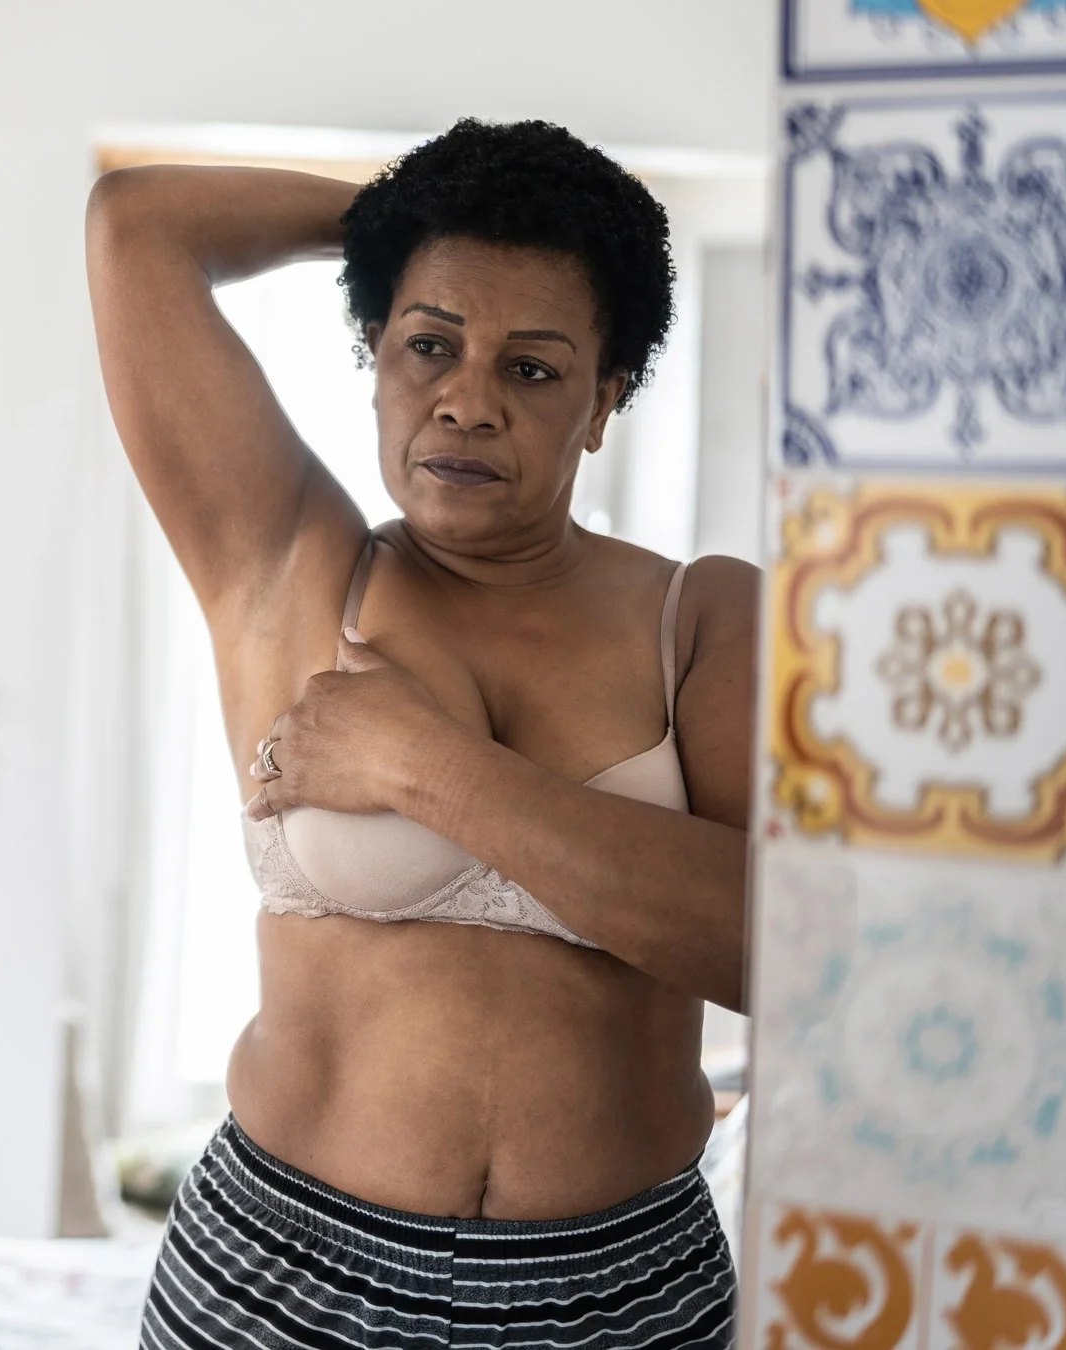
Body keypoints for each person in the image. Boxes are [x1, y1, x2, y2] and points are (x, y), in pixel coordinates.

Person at [87, 121, 756, 1348]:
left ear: (606, 400)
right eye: (430, 345)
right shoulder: (284, 561)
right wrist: (410, 225)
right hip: (284, 1274)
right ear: (379, 359)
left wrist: (425, 769)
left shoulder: (703, 615)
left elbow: (776, 950)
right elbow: (138, 227)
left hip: (618, 1295)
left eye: (535, 369)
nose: (466, 400)